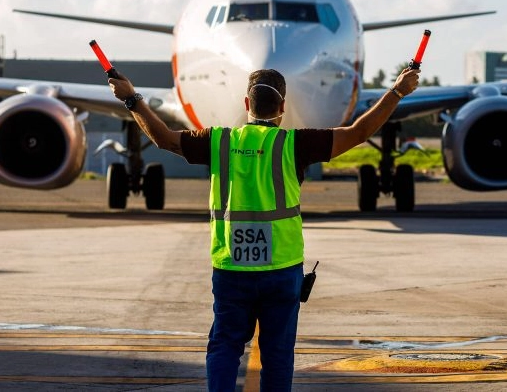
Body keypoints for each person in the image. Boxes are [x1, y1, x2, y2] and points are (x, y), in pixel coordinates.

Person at [108, 66, 420, 391]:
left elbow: (164, 138)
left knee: (225, 346)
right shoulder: (294, 144)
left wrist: (131, 98)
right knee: (278, 355)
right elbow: (358, 132)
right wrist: (396, 92)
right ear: (283, 107)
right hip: (281, 272)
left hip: (231, 268)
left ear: (247, 103)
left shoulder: (219, 141)